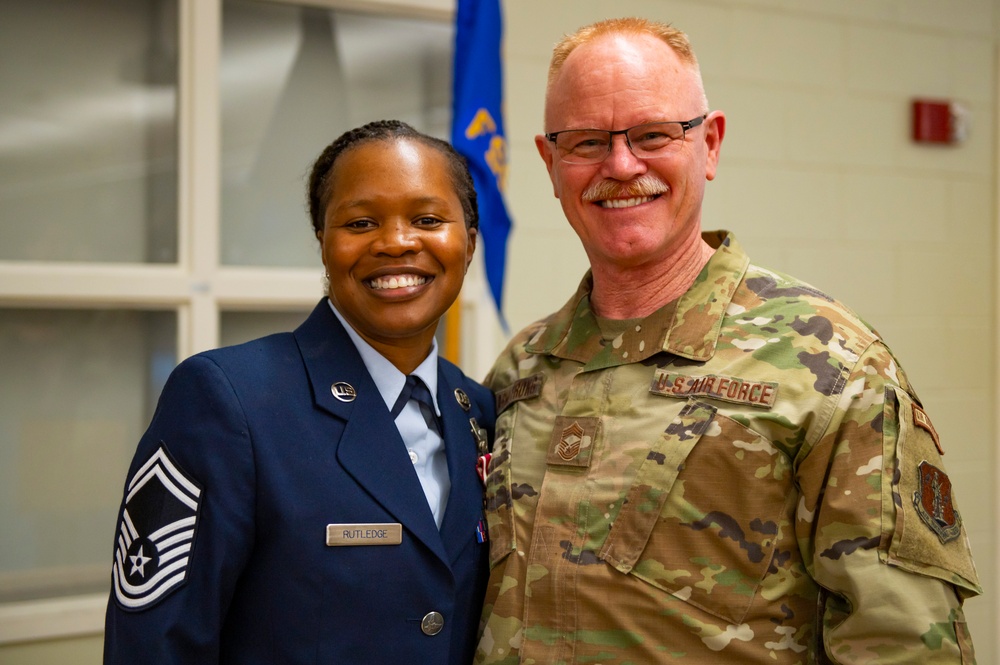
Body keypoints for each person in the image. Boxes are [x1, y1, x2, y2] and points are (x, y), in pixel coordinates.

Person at [476, 17, 981, 664]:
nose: (621, 165)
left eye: (653, 134)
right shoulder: (521, 370)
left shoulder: (830, 366)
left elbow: (905, 644)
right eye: (587, 142)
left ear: (709, 144)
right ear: (551, 164)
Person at [104, 120, 494, 664]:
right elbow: (156, 646)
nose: (396, 242)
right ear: (323, 243)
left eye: (427, 219)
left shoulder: (479, 410)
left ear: (469, 243)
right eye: (360, 222)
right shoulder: (229, 399)